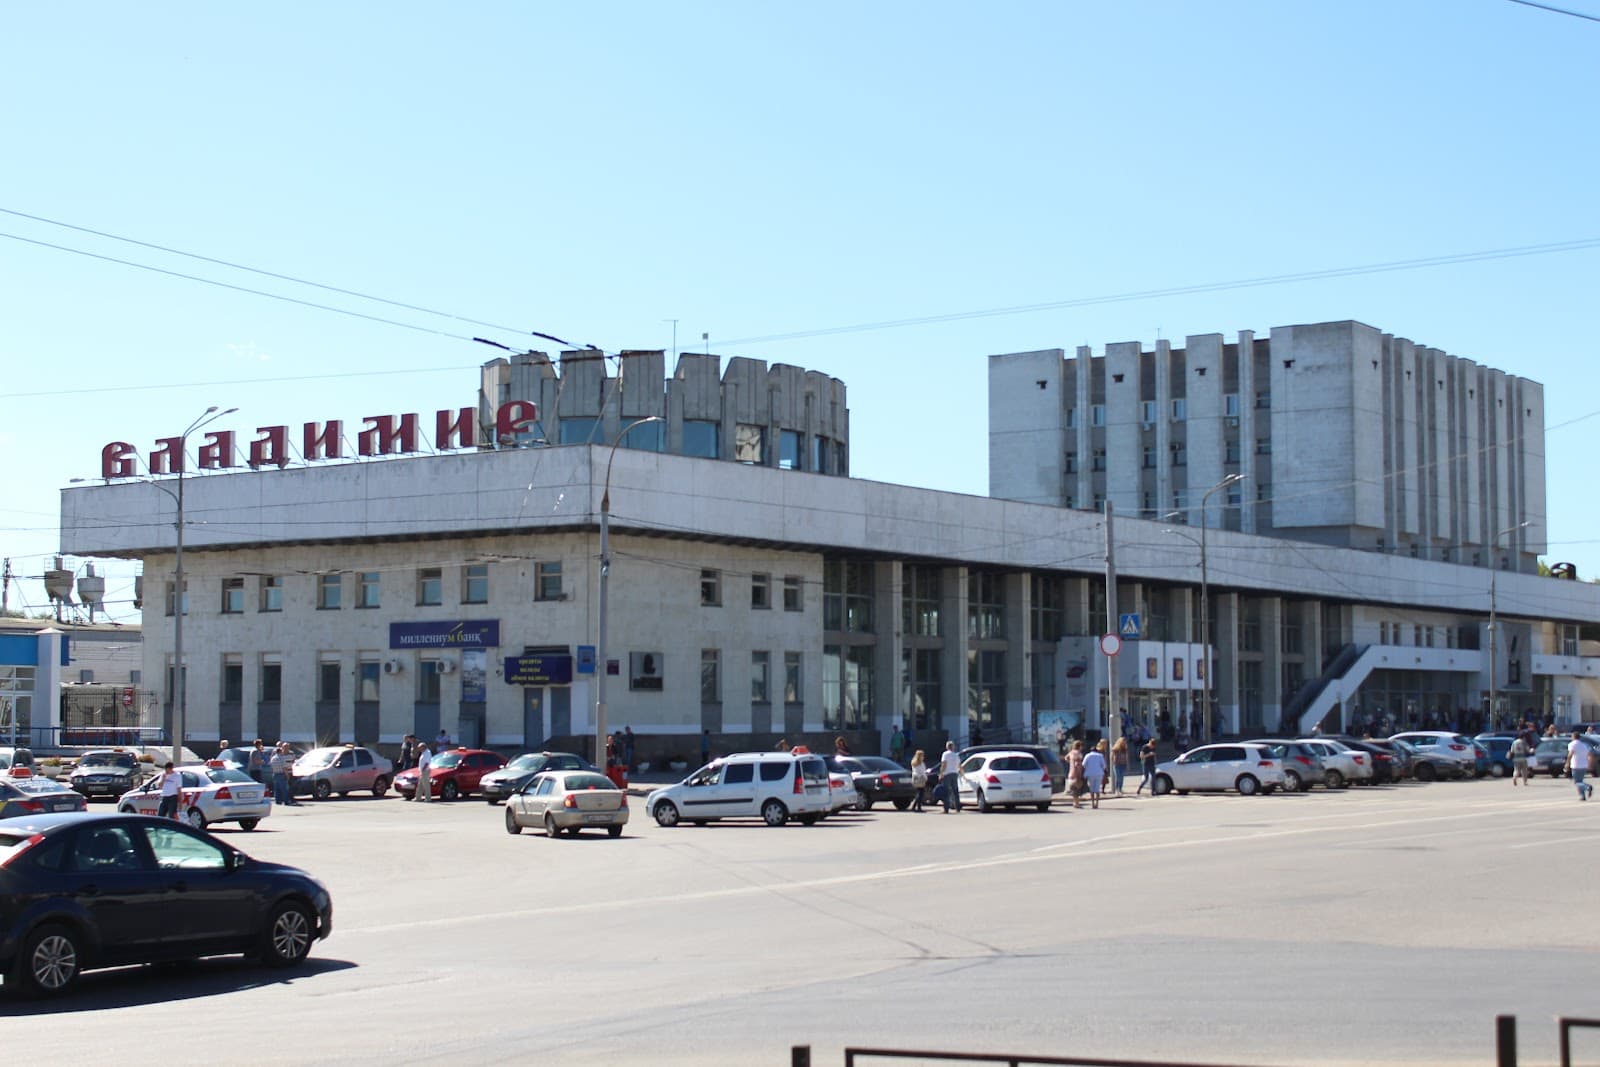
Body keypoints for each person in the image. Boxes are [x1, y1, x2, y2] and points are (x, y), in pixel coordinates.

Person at [1566, 733, 1595, 801]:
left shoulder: (1572, 744)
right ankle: (1582, 796)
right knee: (1580, 781)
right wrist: (1590, 764)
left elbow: (1570, 754)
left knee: (1577, 782)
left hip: (1576, 765)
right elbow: (1590, 755)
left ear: (1573, 737)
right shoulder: (1584, 745)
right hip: (1584, 765)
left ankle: (1587, 787)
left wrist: (1567, 762)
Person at [938, 741, 962, 814]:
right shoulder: (956, 755)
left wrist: (941, 773)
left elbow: (944, 764)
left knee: (947, 791)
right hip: (954, 773)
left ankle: (946, 808)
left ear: (947, 747)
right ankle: (957, 807)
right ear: (953, 747)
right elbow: (959, 765)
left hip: (947, 773)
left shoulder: (945, 754)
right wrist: (961, 773)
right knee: (955, 791)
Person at [1082, 743, 1108, 810]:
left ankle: (1093, 803)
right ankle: (1097, 803)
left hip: (1090, 773)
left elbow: (1083, 765)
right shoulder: (1100, 755)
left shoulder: (1087, 755)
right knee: (1097, 789)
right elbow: (1104, 766)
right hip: (1099, 773)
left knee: (1092, 789)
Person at [1066, 740, 1087, 809]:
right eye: (1081, 746)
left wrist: (1070, 762)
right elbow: (1077, 763)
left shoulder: (1071, 752)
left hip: (1071, 772)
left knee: (1074, 788)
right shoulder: (1078, 754)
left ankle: (1075, 802)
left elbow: (1066, 758)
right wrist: (1079, 772)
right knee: (1077, 788)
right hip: (1077, 771)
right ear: (1079, 746)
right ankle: (1076, 803)